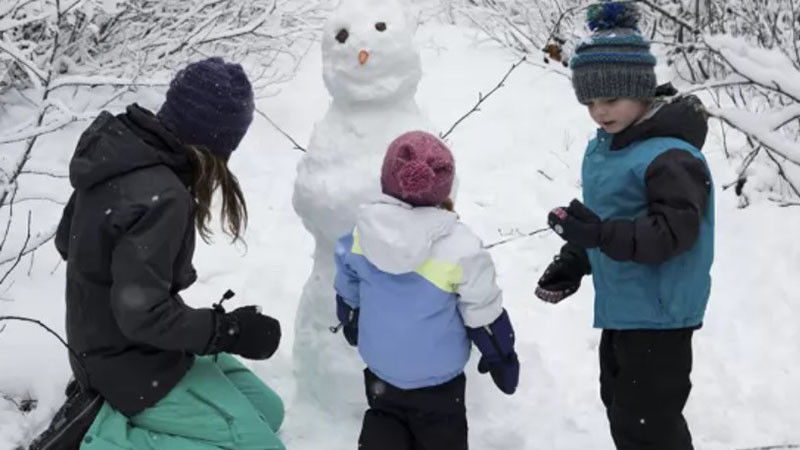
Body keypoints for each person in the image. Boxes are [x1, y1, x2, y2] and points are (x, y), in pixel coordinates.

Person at [30, 57, 285, 450]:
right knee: (261, 445)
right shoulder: (163, 194)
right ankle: (100, 438)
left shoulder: (120, 151)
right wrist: (226, 330)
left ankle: (110, 409)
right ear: (218, 140)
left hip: (116, 349)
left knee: (269, 412)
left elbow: (67, 241)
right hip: (127, 364)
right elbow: (143, 317)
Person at [535, 3, 714, 450]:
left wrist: (596, 237)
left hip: (659, 313)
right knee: (621, 407)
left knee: (648, 421)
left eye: (610, 99)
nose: (599, 111)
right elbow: (610, 219)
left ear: (641, 91)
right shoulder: (614, 149)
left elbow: (673, 234)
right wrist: (575, 258)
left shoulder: (669, 156)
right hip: (625, 309)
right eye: (590, 101)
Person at [333, 131, 520, 450]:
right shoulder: (460, 248)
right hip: (438, 383)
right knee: (440, 436)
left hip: (382, 371)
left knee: (385, 421)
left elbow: (347, 286)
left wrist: (350, 318)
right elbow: (483, 312)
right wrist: (500, 355)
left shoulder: (361, 234)